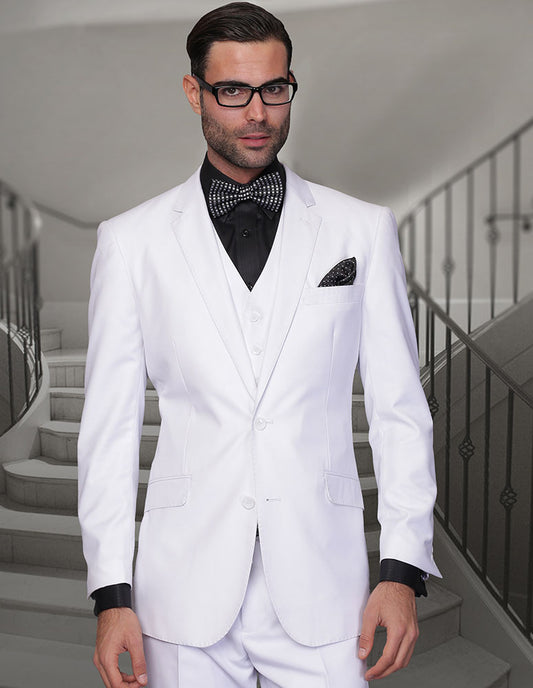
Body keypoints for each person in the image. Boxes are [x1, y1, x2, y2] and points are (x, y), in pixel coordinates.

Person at [77, 3, 440, 687]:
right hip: (177, 593)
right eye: (233, 91)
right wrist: (110, 593)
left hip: (324, 590)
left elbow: (398, 409)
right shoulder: (132, 242)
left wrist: (401, 570)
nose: (258, 113)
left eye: (274, 89)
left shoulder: (360, 231)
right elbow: (108, 431)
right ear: (194, 93)